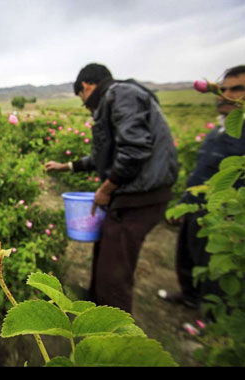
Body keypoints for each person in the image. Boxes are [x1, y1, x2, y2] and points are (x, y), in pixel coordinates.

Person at [45, 63, 179, 314]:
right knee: (106, 246)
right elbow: (104, 157)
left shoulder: (120, 94)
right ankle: (95, 306)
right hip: (133, 193)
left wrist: (106, 189)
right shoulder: (116, 98)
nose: (87, 107)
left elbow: (134, 150)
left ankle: (113, 336)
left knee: (115, 271)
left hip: (141, 195)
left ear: (86, 86)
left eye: (83, 100)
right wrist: (66, 166)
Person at [158, 65, 245, 311]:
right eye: (221, 88)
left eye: (237, 89)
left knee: (217, 270)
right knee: (188, 256)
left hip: (225, 217)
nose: (225, 94)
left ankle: (212, 324)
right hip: (197, 207)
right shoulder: (222, 127)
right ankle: (191, 298)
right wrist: (185, 202)